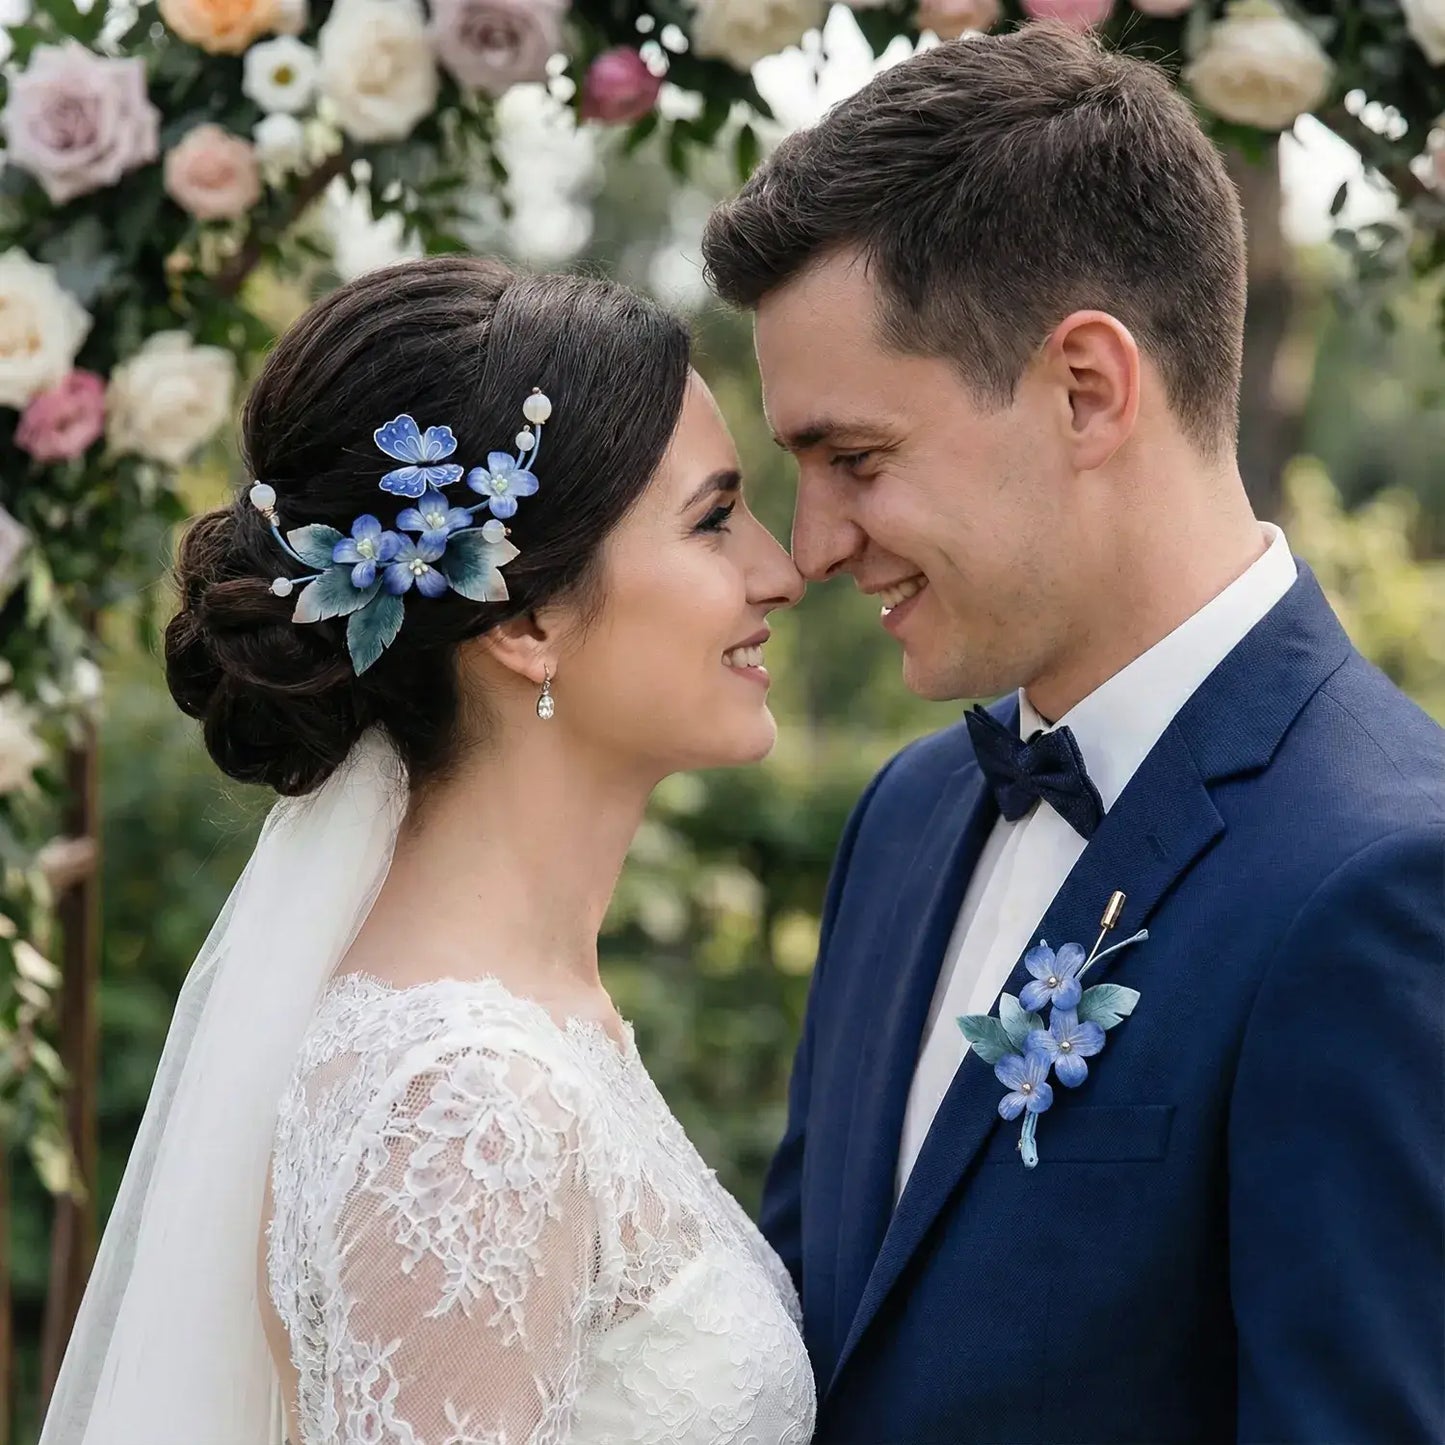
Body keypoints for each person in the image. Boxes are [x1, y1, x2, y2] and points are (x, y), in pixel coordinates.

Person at [702, 22, 1445, 1445]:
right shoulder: (906, 818)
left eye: (855, 460)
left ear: (1087, 387)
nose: (810, 547)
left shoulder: (1385, 884)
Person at [39, 257, 814, 1445]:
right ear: (526, 619)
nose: (781, 568)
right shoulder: (464, 1105)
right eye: (713, 518)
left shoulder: (525, 1026)